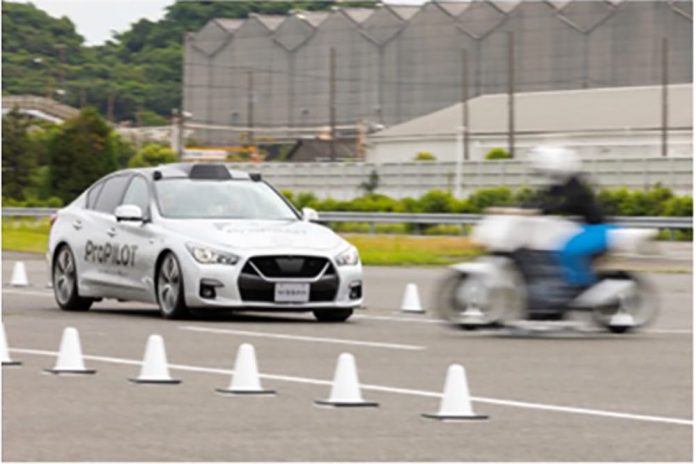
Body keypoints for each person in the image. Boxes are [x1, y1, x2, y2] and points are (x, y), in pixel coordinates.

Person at [528, 146, 615, 288]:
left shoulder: (576, 187)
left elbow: (569, 203)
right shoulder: (561, 185)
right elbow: (541, 199)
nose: (546, 176)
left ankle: (581, 286)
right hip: (584, 229)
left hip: (599, 229)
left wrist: (545, 209)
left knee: (568, 250)